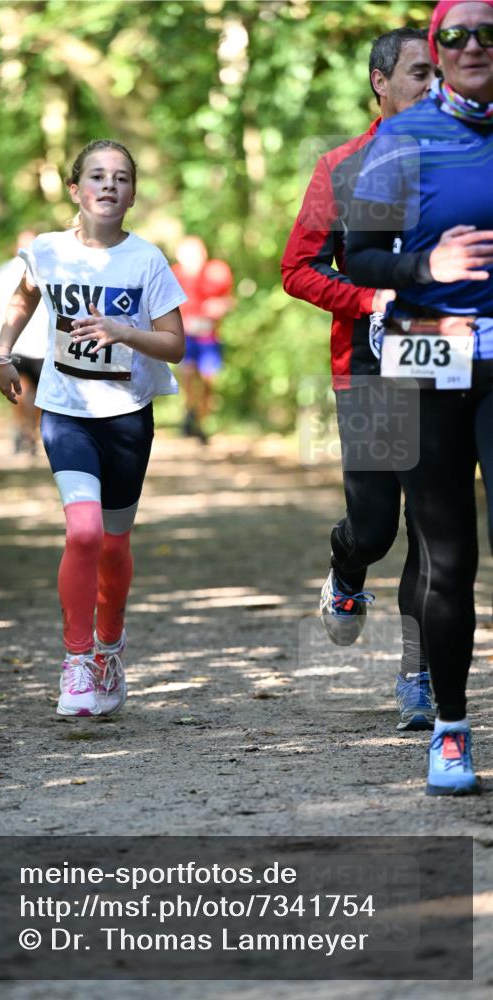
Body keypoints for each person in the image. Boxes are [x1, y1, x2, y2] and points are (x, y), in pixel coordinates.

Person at [346, 0, 493, 795]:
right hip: (426, 353)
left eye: (488, 33)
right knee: (446, 557)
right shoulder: (401, 138)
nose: (474, 46)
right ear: (436, 51)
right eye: (456, 35)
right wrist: (423, 269)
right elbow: (357, 257)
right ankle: (447, 729)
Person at [0, 139, 186, 717]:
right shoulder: (46, 251)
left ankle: (109, 647)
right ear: (75, 191)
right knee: (83, 532)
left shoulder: (147, 260)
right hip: (65, 409)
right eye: (97, 177)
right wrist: (2, 352)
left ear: (131, 195)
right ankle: (76, 662)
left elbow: (174, 344)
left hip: (126, 417)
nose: (108, 186)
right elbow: (25, 295)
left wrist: (123, 332)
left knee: (114, 543)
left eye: (121, 178)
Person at [281, 28, 437, 730]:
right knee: (375, 528)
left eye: (437, 73)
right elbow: (297, 268)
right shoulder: (343, 167)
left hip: (447, 359)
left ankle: (418, 675)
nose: (430, 85)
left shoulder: (466, 157)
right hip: (370, 366)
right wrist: (368, 297)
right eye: (416, 73)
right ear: (379, 81)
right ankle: (347, 570)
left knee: (436, 530)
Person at [0, 228, 48, 454]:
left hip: (43, 342)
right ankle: (23, 429)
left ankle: (28, 429)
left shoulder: (48, 268)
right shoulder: (5, 271)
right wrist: (2, 343)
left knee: (36, 394)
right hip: (18, 343)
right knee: (21, 389)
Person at [172, 236, 234, 443]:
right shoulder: (174, 275)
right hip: (186, 335)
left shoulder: (217, 271)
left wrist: (219, 306)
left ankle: (200, 420)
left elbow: (229, 299)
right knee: (188, 373)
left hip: (209, 336)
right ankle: (189, 411)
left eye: (197, 253)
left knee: (209, 380)